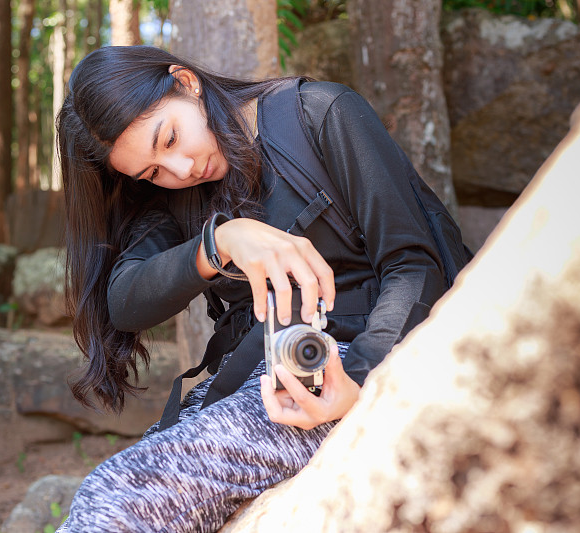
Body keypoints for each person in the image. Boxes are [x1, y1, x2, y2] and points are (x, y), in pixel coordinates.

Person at [55, 45, 452, 532]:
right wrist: (218, 242)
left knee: (116, 497)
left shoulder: (319, 114)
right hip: (248, 381)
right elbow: (125, 301)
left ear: (186, 81)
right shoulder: (176, 197)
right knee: (105, 499)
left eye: (171, 138)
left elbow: (413, 264)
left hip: (344, 364)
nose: (180, 170)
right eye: (152, 171)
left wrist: (359, 383)